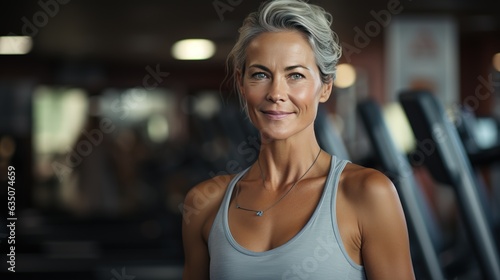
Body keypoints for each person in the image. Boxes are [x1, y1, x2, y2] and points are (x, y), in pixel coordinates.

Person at [182, 0, 415, 279]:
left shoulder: (367, 193)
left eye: (295, 75)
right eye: (260, 74)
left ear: (325, 87)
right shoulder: (206, 202)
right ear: (242, 84)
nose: (276, 93)